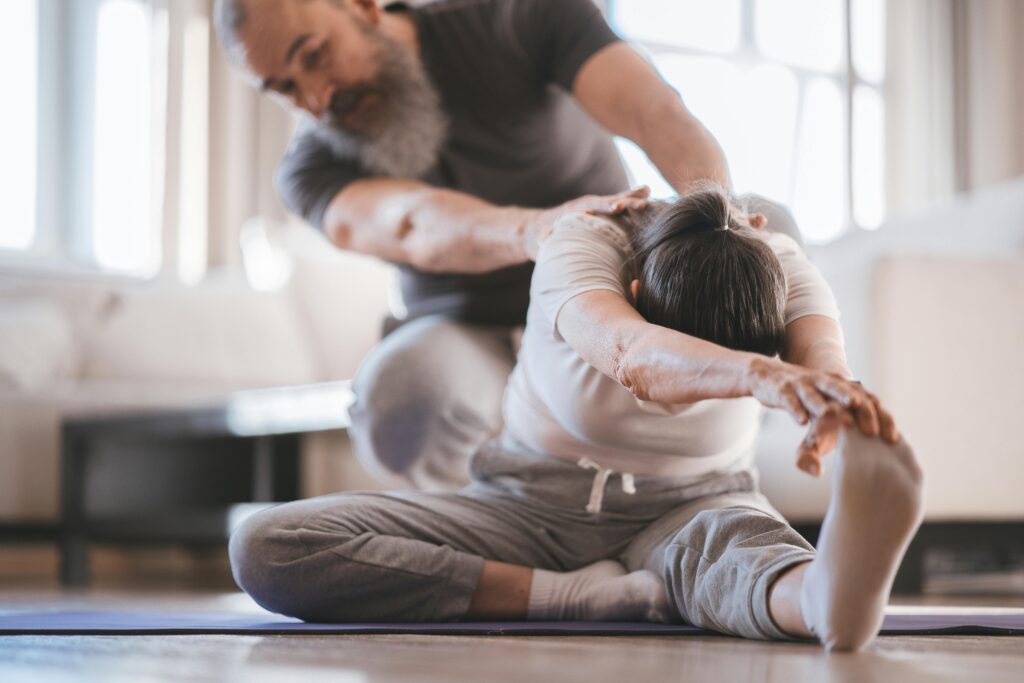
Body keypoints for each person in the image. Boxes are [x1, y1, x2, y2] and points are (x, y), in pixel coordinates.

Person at [228, 187, 925, 651]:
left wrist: (837, 404)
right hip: (525, 503)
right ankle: (573, 597)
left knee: (742, 557)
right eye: (695, 379)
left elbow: (826, 360)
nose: (691, 403)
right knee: (268, 545)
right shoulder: (583, 247)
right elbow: (632, 352)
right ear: (634, 290)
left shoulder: (777, 265)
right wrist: (755, 374)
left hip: (694, 502)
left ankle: (824, 598)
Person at [213, 0, 732, 489]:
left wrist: (716, 223)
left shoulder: (516, 16)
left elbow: (654, 113)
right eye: (284, 87)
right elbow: (410, 225)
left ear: (363, 6)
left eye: (315, 55)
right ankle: (514, 553)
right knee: (399, 400)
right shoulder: (309, 168)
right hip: (467, 332)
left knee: (763, 223)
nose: (318, 100)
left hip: (612, 295)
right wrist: (537, 231)